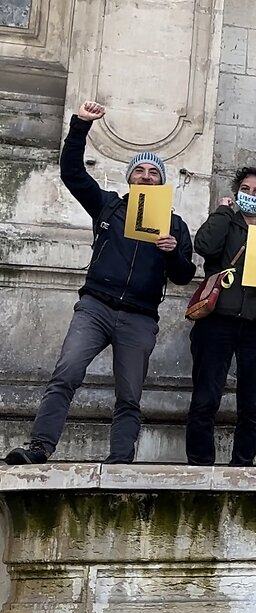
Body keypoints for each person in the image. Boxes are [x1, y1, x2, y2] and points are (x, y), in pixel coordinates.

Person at [6, 101, 196, 465]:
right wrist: (80, 127)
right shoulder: (109, 207)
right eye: (138, 171)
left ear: (162, 181)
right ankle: (39, 447)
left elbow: (184, 276)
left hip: (140, 317)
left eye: (152, 173)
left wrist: (173, 252)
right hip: (95, 307)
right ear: (129, 178)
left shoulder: (175, 225)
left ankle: (120, 461)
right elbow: (73, 174)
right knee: (66, 374)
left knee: (129, 396)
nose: (145, 177)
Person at [185, 167, 256, 466]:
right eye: (245, 189)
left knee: (252, 401)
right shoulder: (225, 222)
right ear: (236, 193)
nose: (251, 195)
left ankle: (242, 465)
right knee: (206, 395)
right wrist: (223, 211)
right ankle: (199, 463)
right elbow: (204, 246)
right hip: (217, 319)